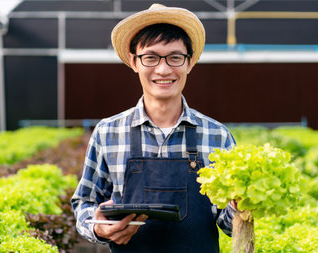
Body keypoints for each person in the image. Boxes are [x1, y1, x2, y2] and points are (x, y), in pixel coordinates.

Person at [71, 3, 236, 253]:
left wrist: (239, 207)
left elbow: (229, 225)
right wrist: (96, 227)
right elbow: (85, 201)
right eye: (151, 57)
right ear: (133, 61)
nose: (163, 69)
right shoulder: (107, 133)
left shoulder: (217, 136)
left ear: (189, 63)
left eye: (175, 57)